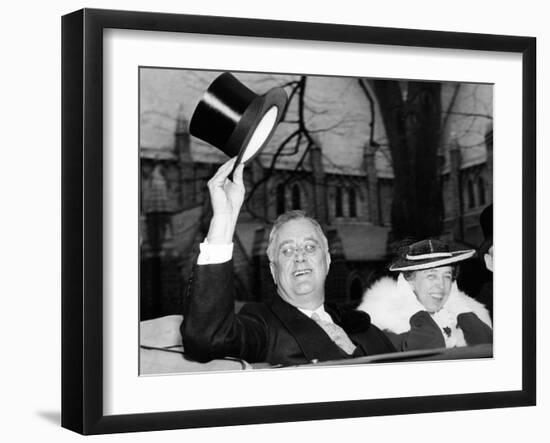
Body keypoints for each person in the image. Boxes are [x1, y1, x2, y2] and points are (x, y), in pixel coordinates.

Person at [181, 158, 395, 366]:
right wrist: (224, 221)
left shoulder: (363, 327)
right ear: (273, 270)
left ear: (328, 261)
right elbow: (205, 339)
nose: (300, 256)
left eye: (310, 247)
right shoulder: (263, 327)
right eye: (287, 250)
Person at [358, 239, 493, 351]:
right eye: (431, 276)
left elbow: (487, 348)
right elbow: (428, 350)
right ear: (408, 282)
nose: (441, 285)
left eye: (447, 276)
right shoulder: (387, 325)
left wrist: (459, 306)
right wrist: (413, 306)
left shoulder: (466, 316)